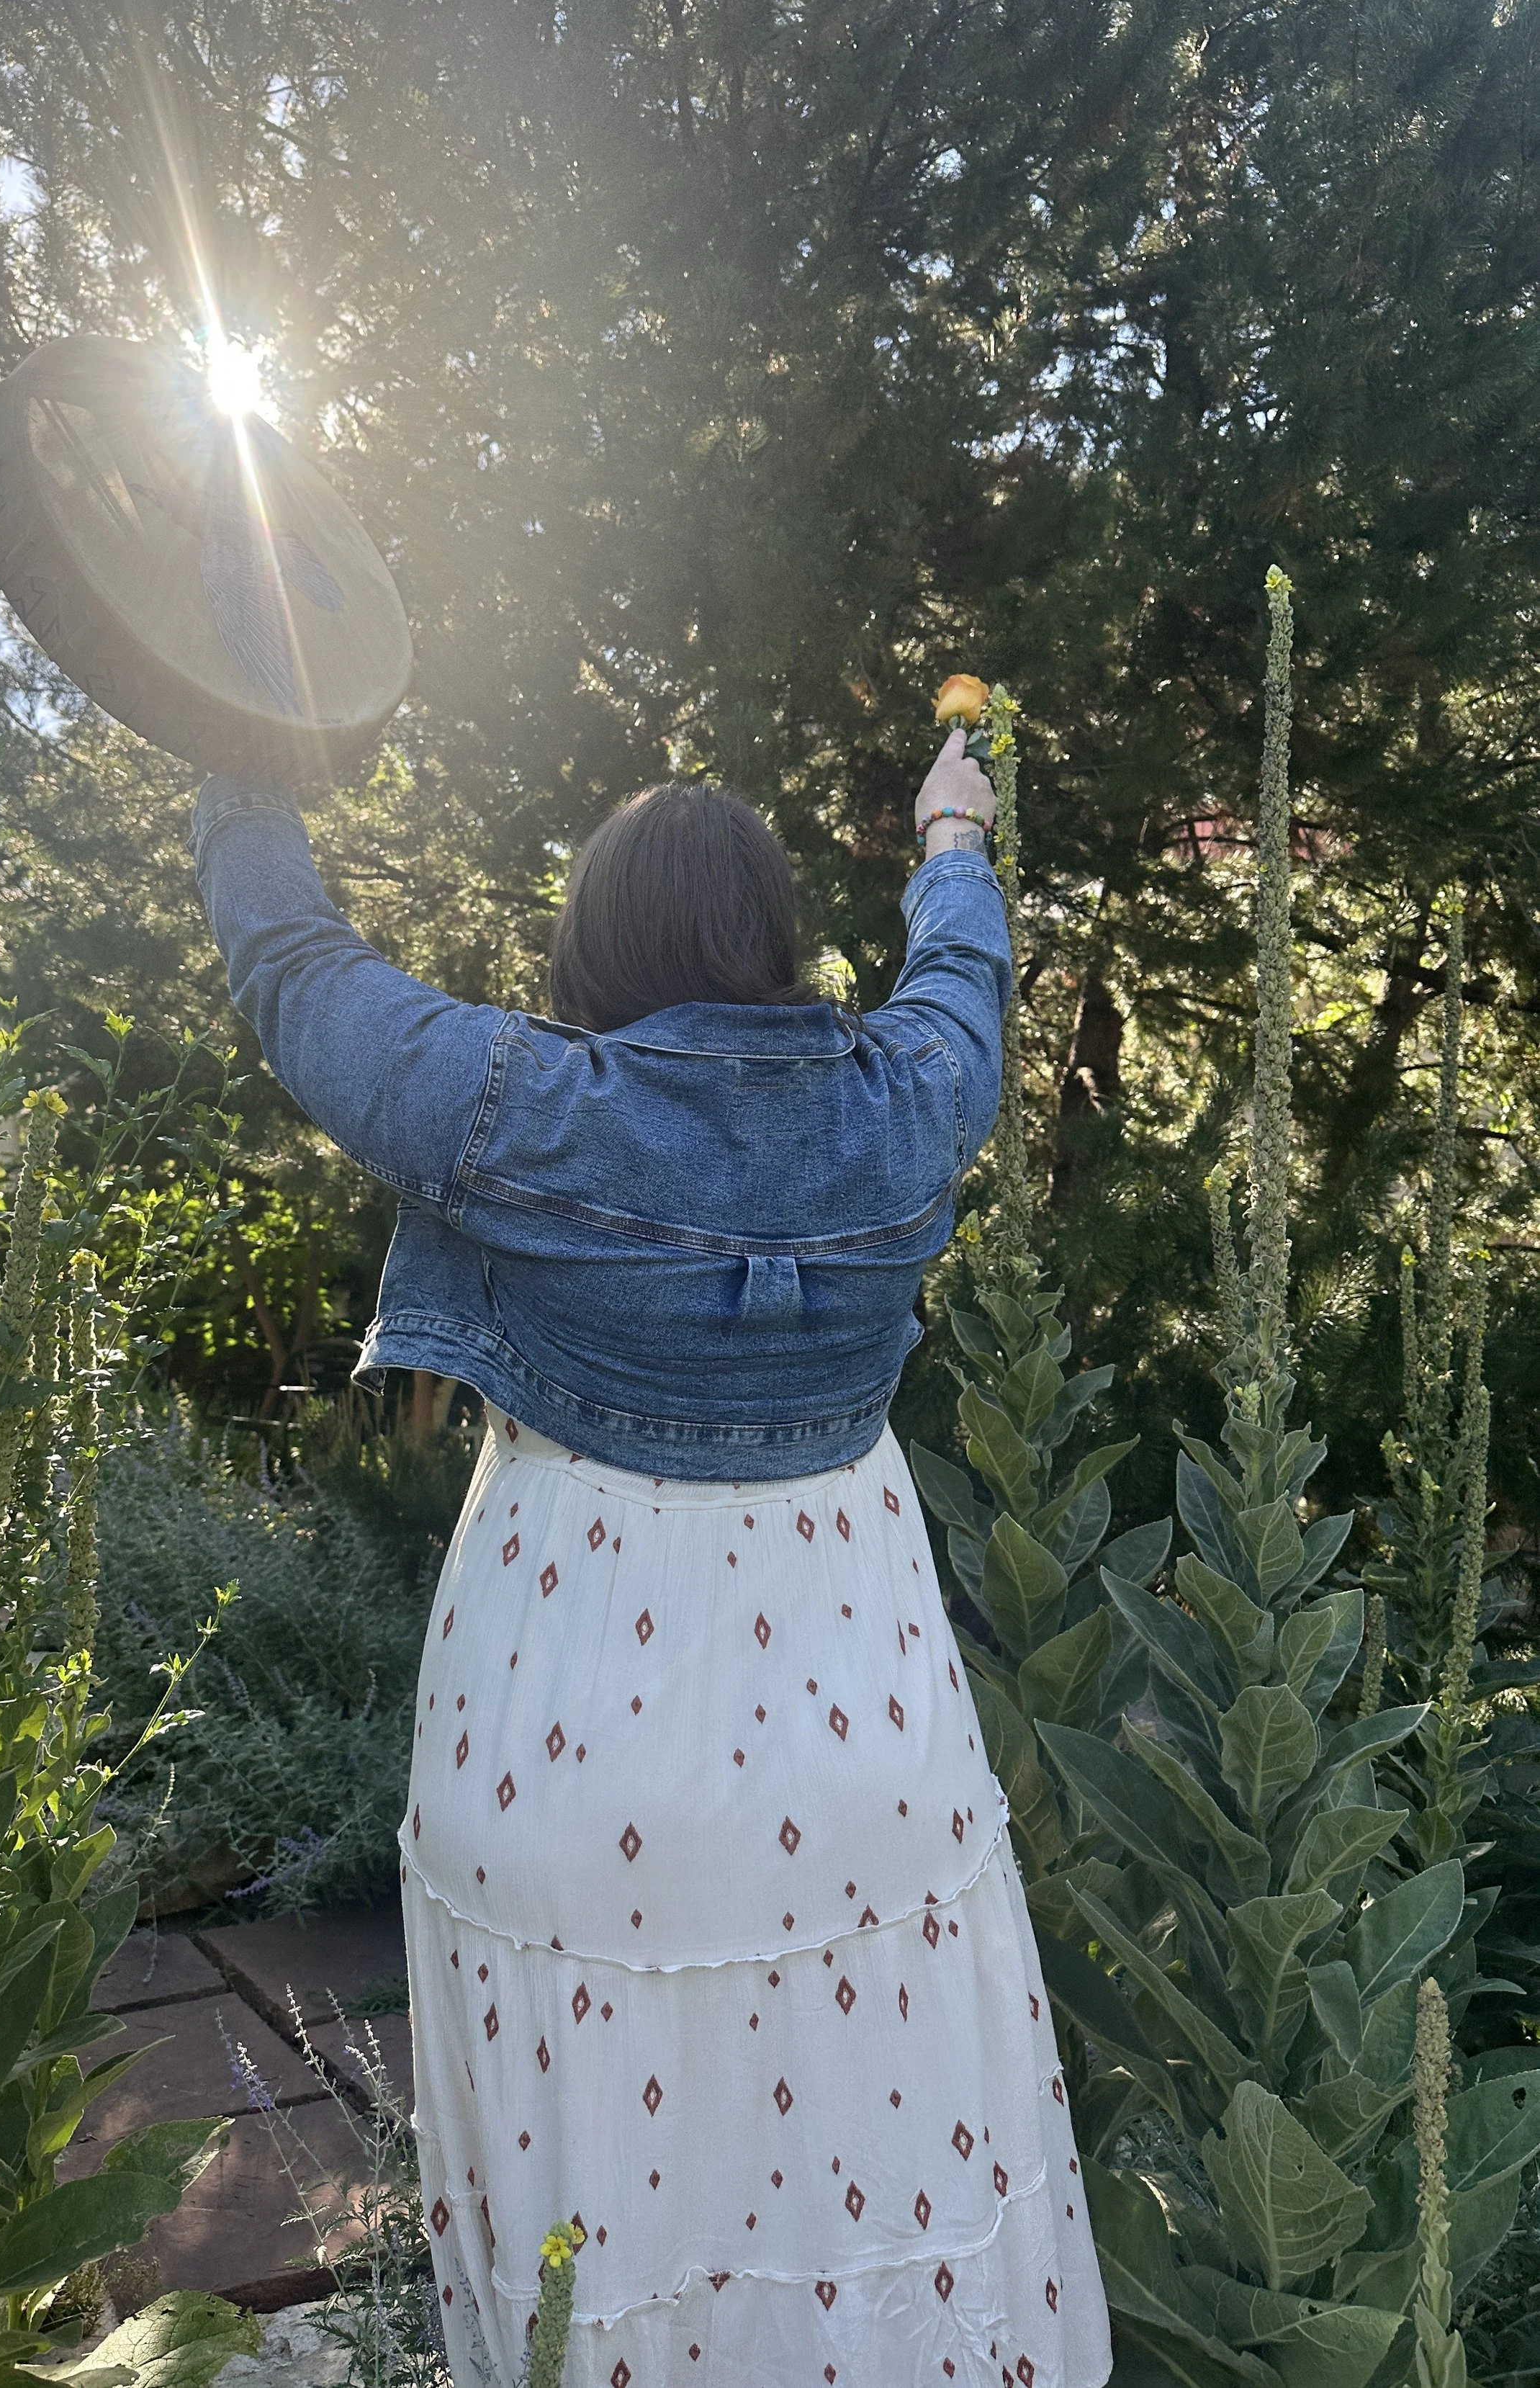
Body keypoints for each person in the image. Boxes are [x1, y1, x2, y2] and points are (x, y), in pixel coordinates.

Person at [192, 732, 1112, 2388]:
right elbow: (961, 973)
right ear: (769, 937)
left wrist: (237, 746)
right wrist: (953, 829)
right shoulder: (906, 1101)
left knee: (602, 2211)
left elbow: (291, 968)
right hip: (859, 1743)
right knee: (866, 2132)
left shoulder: (512, 1100)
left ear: (591, 940)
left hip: (562, 1743)